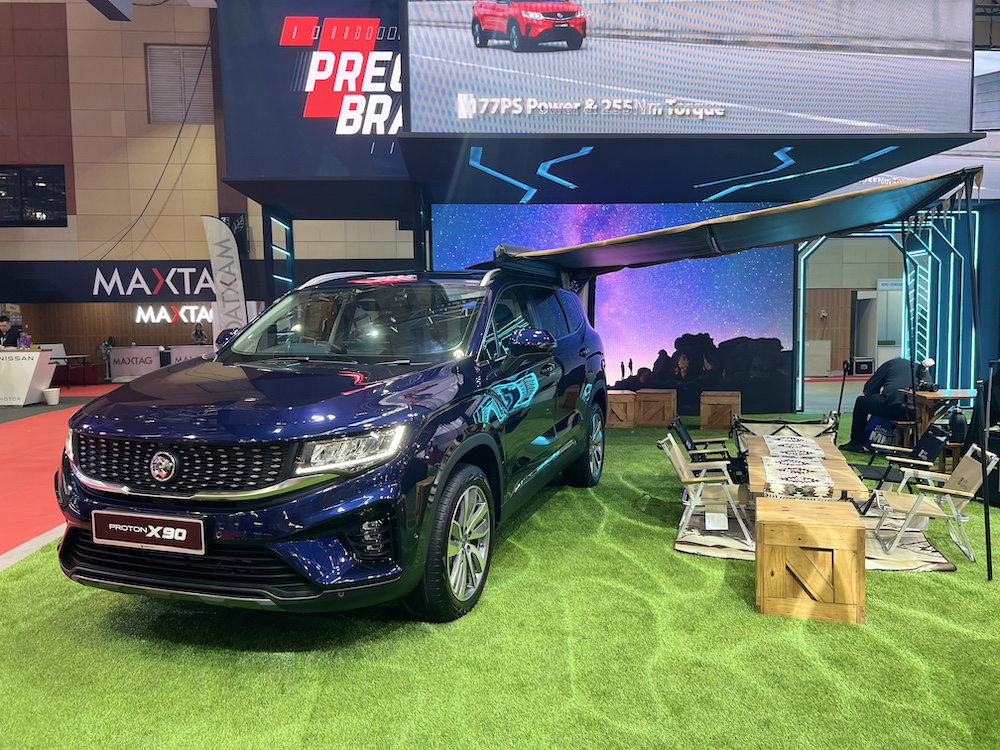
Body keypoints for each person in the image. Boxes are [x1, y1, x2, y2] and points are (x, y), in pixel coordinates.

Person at [841, 356, 932, 452]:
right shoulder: (922, 370)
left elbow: (868, 390)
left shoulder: (891, 364)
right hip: (920, 413)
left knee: (861, 402)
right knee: (924, 415)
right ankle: (914, 444)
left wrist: (880, 395)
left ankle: (856, 443)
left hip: (894, 408)